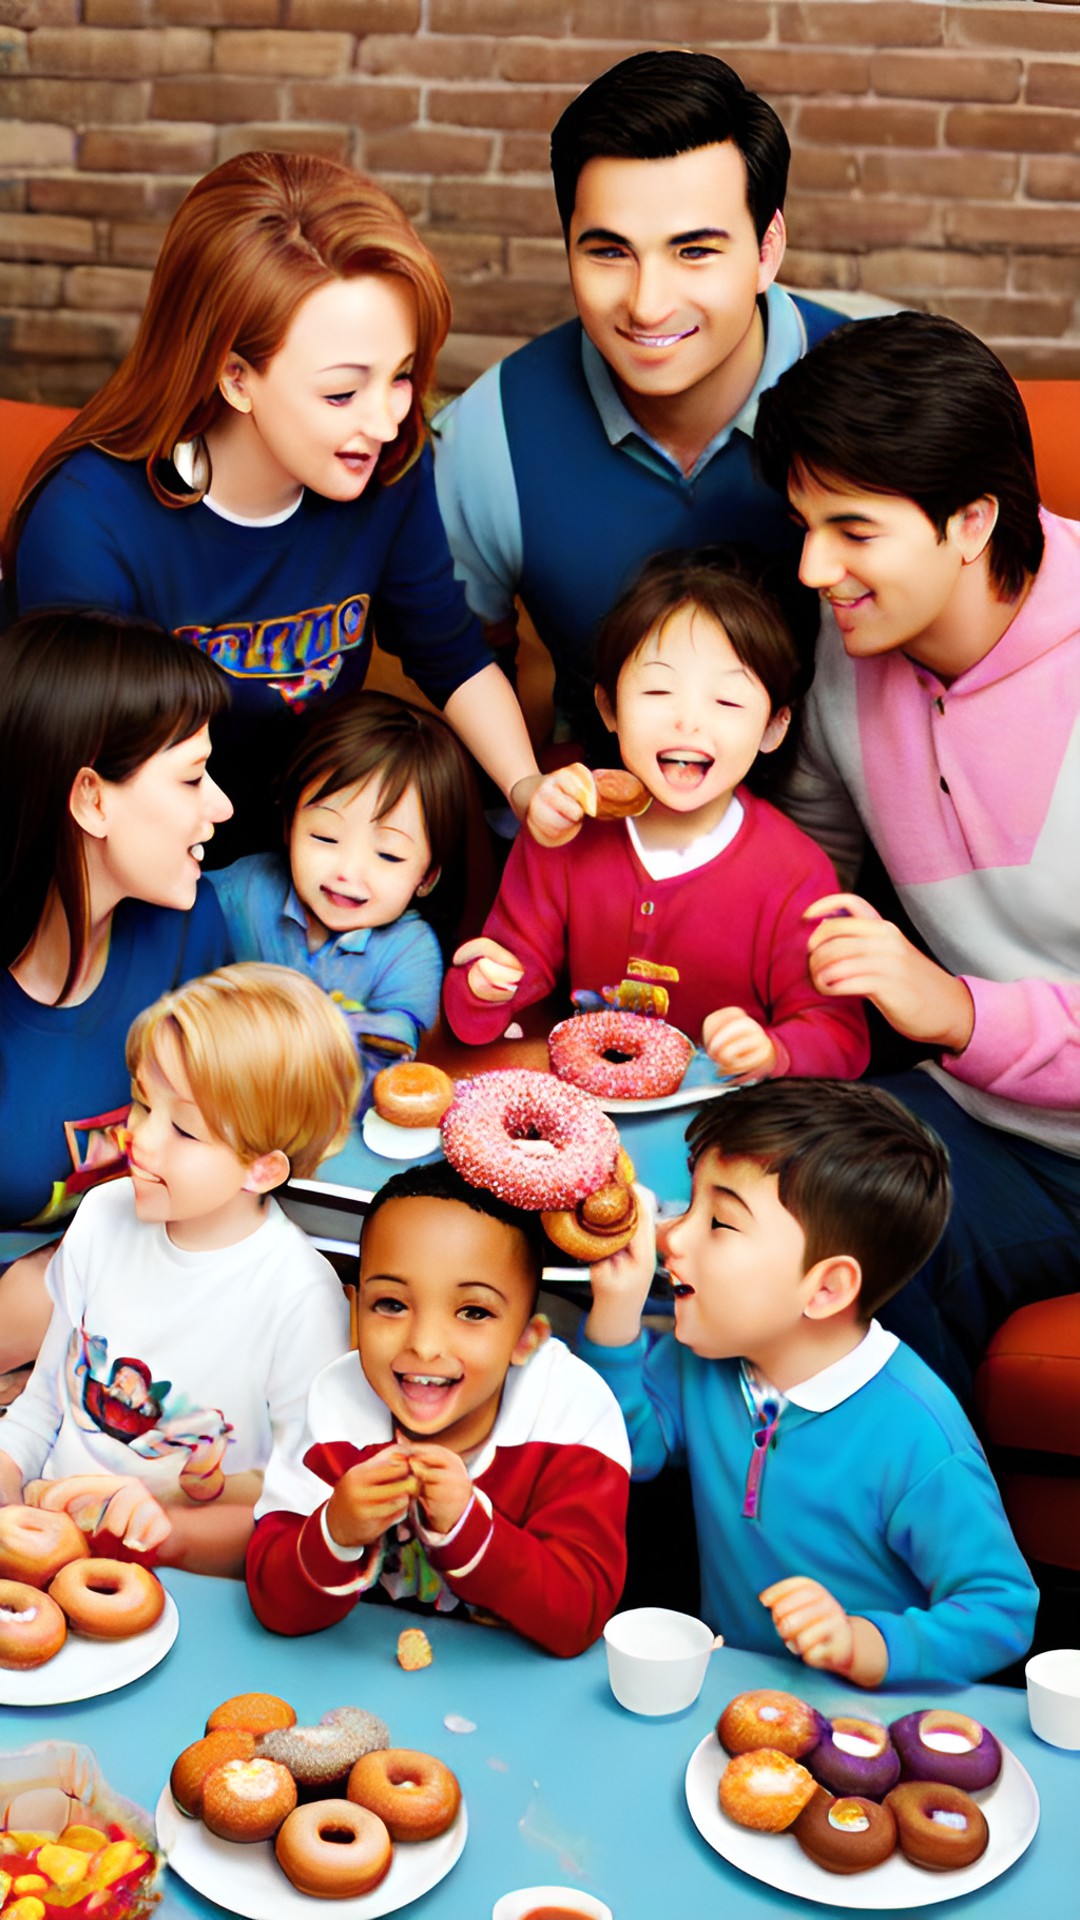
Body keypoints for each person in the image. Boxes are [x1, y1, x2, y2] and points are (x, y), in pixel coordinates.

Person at [5, 150, 542, 854]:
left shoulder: (389, 467)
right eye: (342, 393)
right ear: (235, 376)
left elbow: (449, 652)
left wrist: (527, 789)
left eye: (402, 376)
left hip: (308, 854)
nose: (384, 422)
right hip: (127, 858)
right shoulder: (87, 522)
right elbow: (87, 792)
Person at [753, 310, 1080, 1401]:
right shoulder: (863, 645)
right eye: (804, 524)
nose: (811, 568)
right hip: (964, 1107)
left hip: (1062, 1141)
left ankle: (941, 1573)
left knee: (864, 1263)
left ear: (973, 520)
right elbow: (798, 866)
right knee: (732, 1206)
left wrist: (958, 1010)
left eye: (850, 529)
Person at [432, 48, 847, 761]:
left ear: (767, 248)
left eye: (694, 252)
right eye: (609, 252)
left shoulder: (874, 391)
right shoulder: (485, 437)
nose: (648, 305)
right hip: (600, 832)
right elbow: (459, 669)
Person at [578, 1081, 1038, 1687]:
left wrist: (863, 1642)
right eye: (688, 1207)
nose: (672, 1236)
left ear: (824, 1290)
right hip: (732, 1690)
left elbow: (1001, 1608)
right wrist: (614, 1313)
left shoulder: (919, 1437)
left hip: (864, 1719)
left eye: (718, 1222)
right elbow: (628, 1450)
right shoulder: (707, 1357)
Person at [444, 549, 868, 1082]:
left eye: (728, 702)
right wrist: (483, 988)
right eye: (658, 690)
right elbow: (479, 1014)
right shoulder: (564, 829)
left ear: (774, 728)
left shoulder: (795, 872)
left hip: (727, 1127)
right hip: (586, 1109)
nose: (688, 721)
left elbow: (842, 1040)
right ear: (609, 708)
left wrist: (772, 1050)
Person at [0, 964, 359, 1578]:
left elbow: (295, 1512)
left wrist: (169, 1536)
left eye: (184, 1129)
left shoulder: (300, 1298)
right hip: (44, 1550)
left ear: (264, 1170)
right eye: (142, 1102)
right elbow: (42, 1411)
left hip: (181, 1585)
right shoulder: (102, 1216)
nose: (141, 1140)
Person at [246, 1159, 631, 1657]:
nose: (425, 1346)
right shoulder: (334, 1406)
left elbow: (579, 1618)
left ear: (525, 1339)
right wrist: (334, 1530)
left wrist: (468, 1525)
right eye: (391, 1304)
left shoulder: (571, 1415)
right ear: (356, 1315)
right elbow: (274, 1605)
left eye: (473, 1312)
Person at [0, 610, 233, 1389]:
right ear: (93, 800)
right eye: (193, 777)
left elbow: (224, 1171)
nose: (222, 807)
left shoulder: (188, 927)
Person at [208, 690, 472, 1106]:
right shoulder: (242, 889)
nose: (348, 871)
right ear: (288, 825)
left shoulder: (410, 950)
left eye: (388, 854)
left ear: (426, 876)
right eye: (324, 837)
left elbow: (392, 1051)